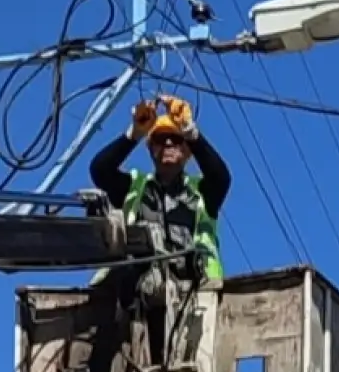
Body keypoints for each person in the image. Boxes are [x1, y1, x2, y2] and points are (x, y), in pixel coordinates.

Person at [89, 94, 232, 281]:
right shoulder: (134, 187)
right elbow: (100, 170)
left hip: (196, 286)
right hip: (136, 287)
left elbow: (221, 177)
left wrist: (190, 132)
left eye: (176, 139)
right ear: (151, 149)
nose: (168, 143)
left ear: (187, 151)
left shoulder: (201, 191)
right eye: (160, 138)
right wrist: (135, 133)